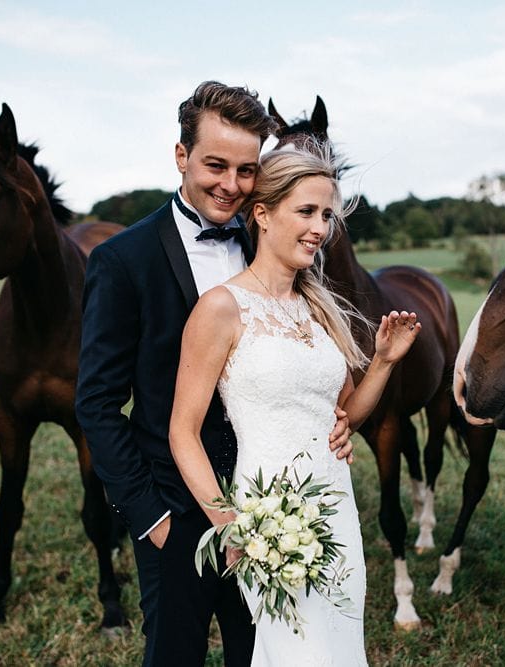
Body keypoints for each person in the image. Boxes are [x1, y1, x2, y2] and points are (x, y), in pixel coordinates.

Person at [75, 82, 353, 666]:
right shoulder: (123, 261)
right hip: (175, 511)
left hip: (276, 514)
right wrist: (151, 518)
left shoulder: (273, 240)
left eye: (246, 170)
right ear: (181, 157)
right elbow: (97, 404)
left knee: (265, 655)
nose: (230, 184)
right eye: (214, 165)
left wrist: (334, 420)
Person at [170, 141, 421, 665]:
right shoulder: (221, 308)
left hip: (337, 506)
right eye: (306, 211)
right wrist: (229, 526)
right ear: (262, 213)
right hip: (269, 521)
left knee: (340, 644)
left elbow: (346, 416)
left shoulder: (319, 304)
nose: (320, 227)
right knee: (296, 652)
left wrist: (384, 362)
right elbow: (183, 432)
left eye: (327, 214)